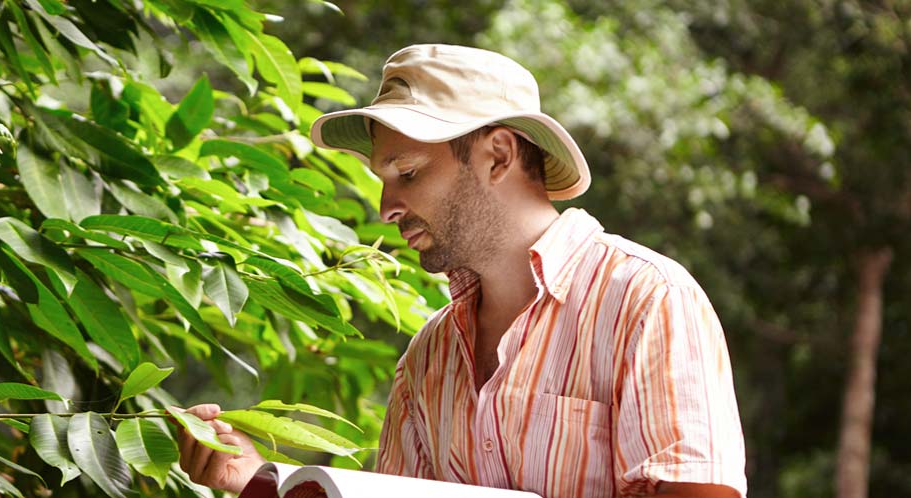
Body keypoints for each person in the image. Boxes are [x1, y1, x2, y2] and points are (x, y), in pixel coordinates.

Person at [176, 44, 747, 498]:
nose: (386, 207)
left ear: (498, 155)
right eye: (383, 177)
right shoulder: (426, 360)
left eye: (407, 172)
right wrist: (255, 483)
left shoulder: (646, 300)